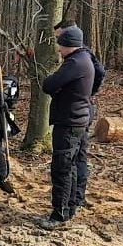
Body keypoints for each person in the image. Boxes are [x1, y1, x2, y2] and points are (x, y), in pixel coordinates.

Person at [39, 24, 97, 228]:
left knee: (62, 167)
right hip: (79, 118)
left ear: (68, 45)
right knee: (73, 164)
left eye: (60, 45)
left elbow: (49, 84)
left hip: (69, 122)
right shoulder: (87, 58)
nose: (58, 49)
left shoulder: (74, 63)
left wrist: (59, 89)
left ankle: (60, 213)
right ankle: (71, 205)